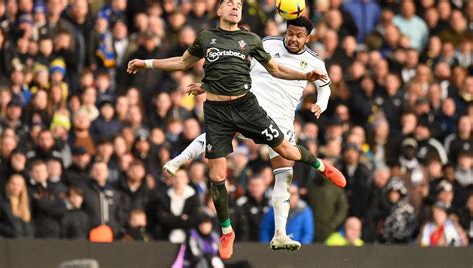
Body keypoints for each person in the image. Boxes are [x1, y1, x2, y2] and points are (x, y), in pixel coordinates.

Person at [142, 14, 345, 253]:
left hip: (282, 119)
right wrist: (208, 85)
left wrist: (321, 104)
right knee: (219, 135)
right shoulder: (266, 43)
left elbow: (325, 88)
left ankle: (280, 233)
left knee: (285, 171)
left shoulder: (315, 61)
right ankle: (179, 161)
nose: (293, 38)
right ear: (285, 31)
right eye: (290, 33)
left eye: (299, 36)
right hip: (250, 107)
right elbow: (235, 67)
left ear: (308, 38)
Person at [0, 174, 33, 238]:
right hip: (7, 240)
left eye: (19, 184)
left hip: (26, 240)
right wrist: (12, 231)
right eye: (13, 184)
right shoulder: (1, 200)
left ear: (23, 187)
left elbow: (30, 223)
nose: (15, 187)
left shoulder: (27, 201)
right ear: (8, 185)